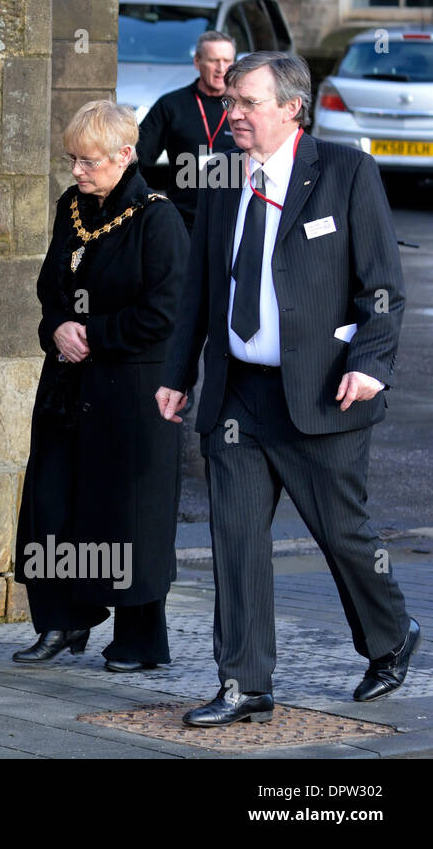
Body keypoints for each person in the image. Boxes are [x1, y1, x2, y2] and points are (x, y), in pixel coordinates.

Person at [157, 52, 420, 727]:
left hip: (324, 391)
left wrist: (371, 363)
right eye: (230, 102)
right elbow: (201, 292)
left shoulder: (344, 172)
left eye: (246, 102)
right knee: (237, 541)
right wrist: (177, 375)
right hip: (237, 393)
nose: (231, 113)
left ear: (290, 107)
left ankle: (390, 636)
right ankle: (245, 683)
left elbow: (383, 286)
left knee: (344, 535)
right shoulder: (219, 178)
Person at [13, 100, 189, 672]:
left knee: (128, 516)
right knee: (54, 503)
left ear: (125, 155)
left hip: (131, 390)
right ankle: (62, 622)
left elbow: (165, 312)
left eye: (88, 161)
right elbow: (50, 286)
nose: (77, 172)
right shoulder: (72, 207)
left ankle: (138, 640)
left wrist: (93, 333)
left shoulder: (157, 218)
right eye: (72, 159)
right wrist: (58, 326)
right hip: (68, 385)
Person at [136, 31, 239, 231]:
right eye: (213, 60)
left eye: (227, 60)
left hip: (232, 222)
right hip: (182, 222)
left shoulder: (244, 107)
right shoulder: (172, 105)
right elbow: (137, 160)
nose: (221, 69)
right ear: (197, 62)